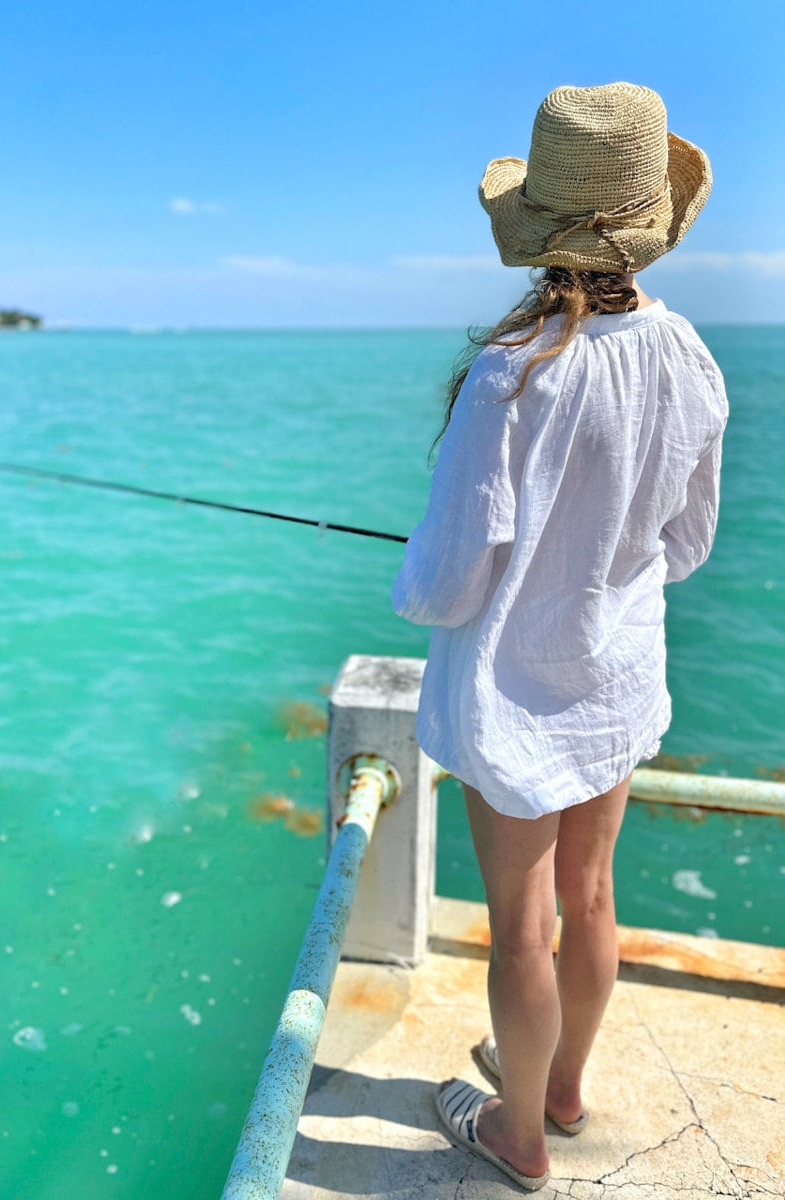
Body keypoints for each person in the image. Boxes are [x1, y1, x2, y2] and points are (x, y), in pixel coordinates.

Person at [391, 82, 728, 1191]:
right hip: (615, 673)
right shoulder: (686, 354)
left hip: (513, 694)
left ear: (538, 228)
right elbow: (686, 545)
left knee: (520, 925)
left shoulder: (512, 372)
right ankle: (565, 1089)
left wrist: (421, 575)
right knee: (591, 897)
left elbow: (448, 587)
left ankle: (520, 1135)